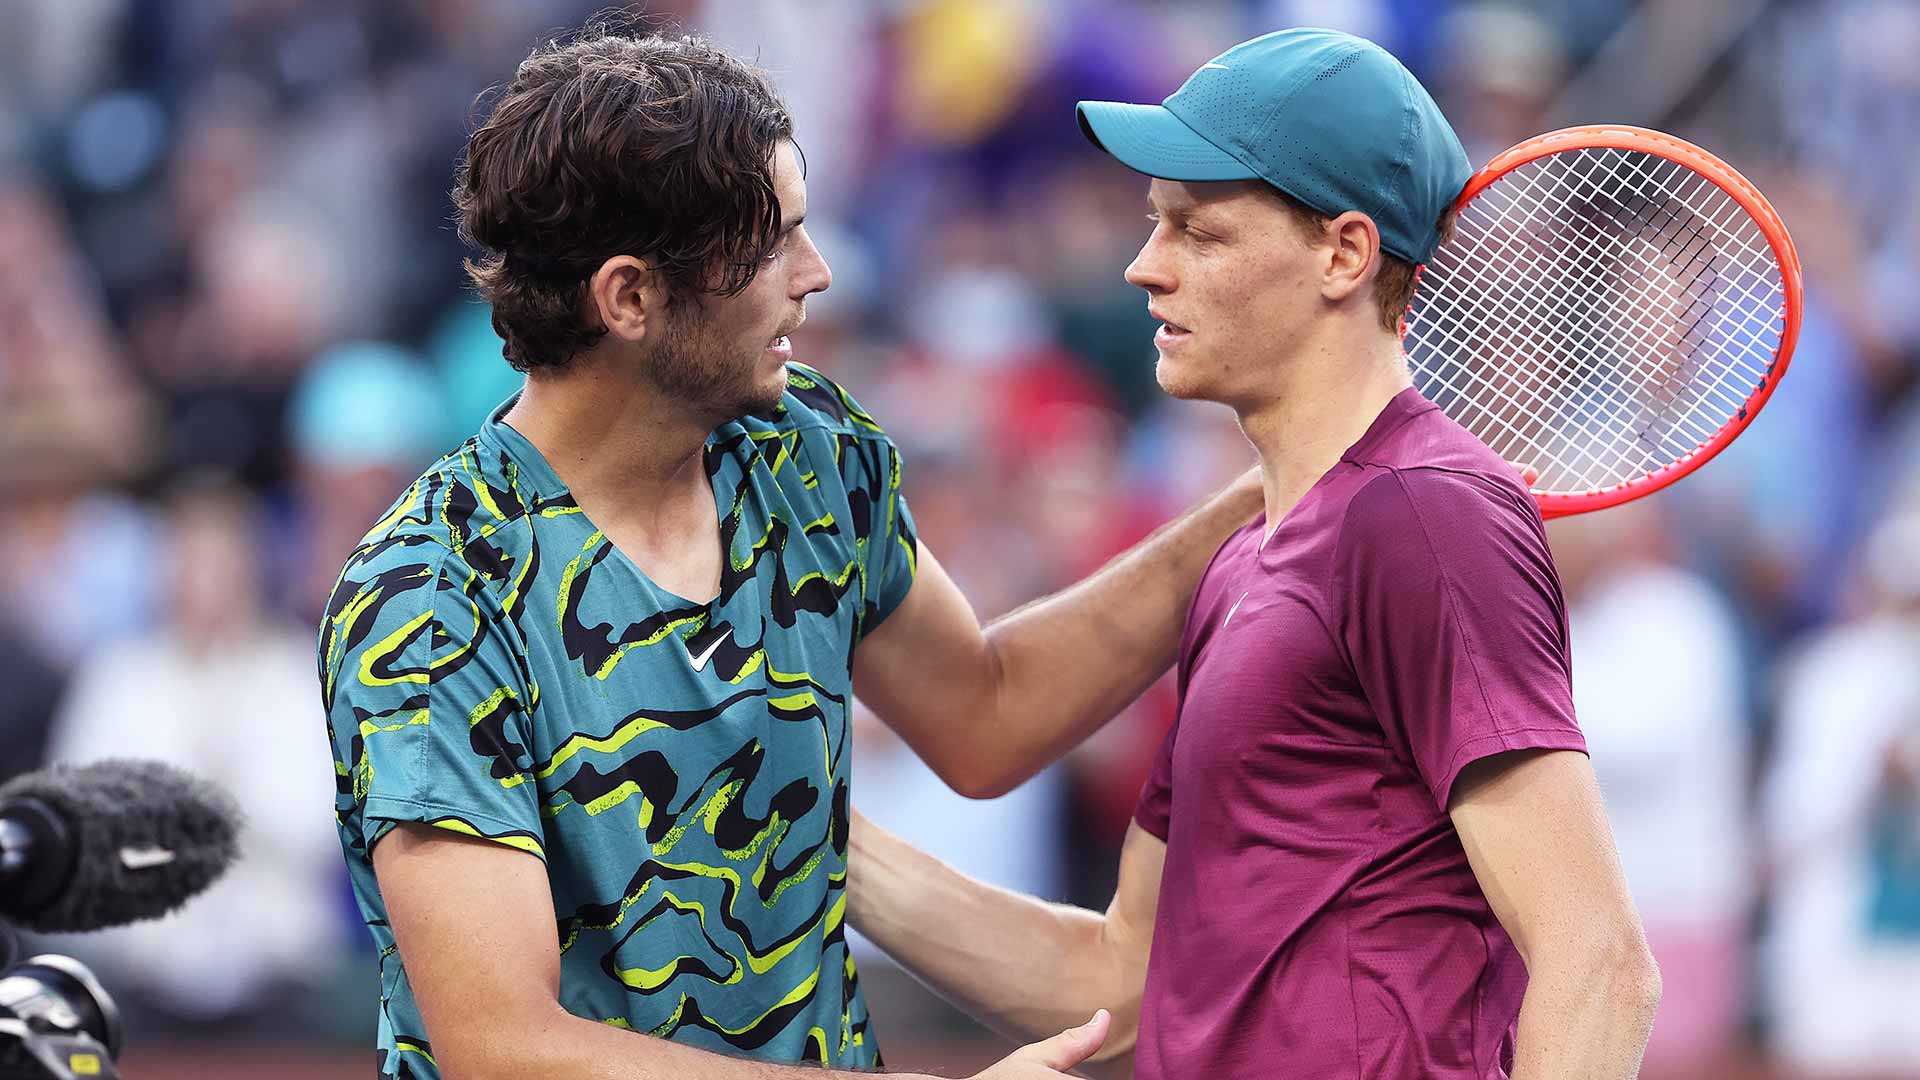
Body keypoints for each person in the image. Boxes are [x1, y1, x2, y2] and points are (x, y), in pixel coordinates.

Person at [317, 25, 1260, 1080]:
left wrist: (1268, 493)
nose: (815, 277)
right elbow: (506, 1046)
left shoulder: (804, 448)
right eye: (773, 247)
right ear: (629, 298)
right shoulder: (430, 594)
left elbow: (986, 719)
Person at [849, 28, 1661, 1080]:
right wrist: (826, 841)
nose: (1146, 267)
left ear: (1344, 254)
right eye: (1154, 226)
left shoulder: (1423, 513)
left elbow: (1599, 964)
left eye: (1200, 232)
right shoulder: (1245, 559)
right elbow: (1124, 987)